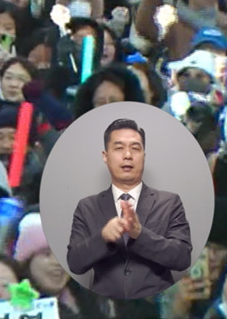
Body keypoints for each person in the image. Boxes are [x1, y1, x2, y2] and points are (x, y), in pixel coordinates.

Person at [66, 117, 193, 299]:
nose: (127, 155)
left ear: (144, 156)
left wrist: (141, 235)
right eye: (119, 148)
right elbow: (75, 263)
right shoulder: (87, 207)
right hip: (106, 305)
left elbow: (182, 258)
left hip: (154, 305)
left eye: (135, 148)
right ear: (105, 156)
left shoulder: (169, 202)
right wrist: (103, 238)